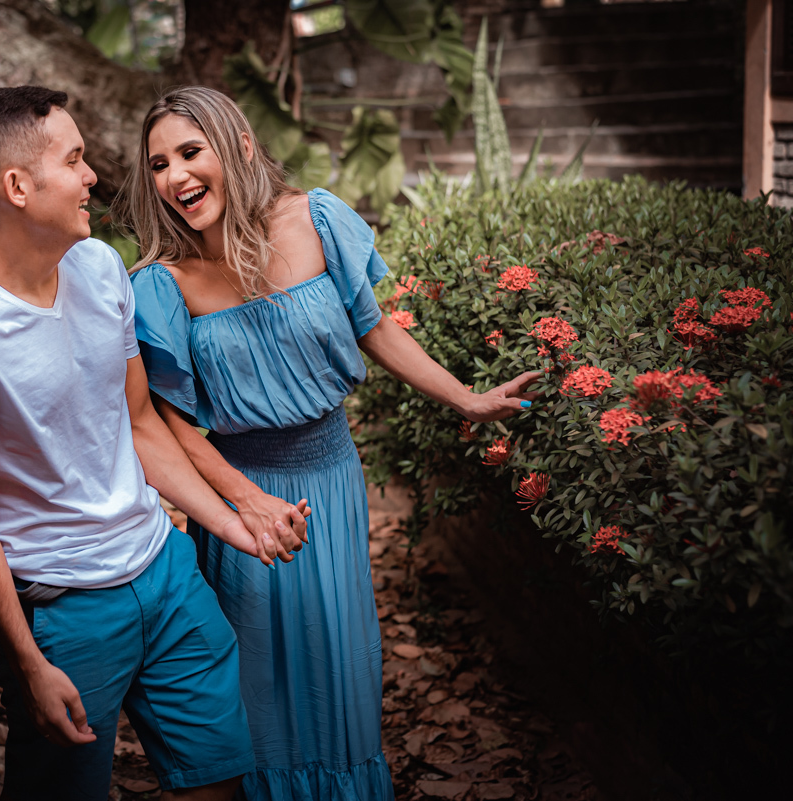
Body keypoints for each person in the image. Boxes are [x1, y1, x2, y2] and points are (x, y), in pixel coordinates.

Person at [114, 86, 541, 800]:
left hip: (334, 480)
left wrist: (467, 397)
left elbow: (373, 329)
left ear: (240, 146)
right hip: (241, 498)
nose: (176, 177)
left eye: (191, 152)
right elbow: (171, 426)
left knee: (338, 668)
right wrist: (245, 504)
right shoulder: (163, 284)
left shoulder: (314, 219)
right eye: (159, 164)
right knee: (258, 681)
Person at [0, 86, 310, 801]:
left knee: (219, 777)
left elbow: (139, 423)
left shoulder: (98, 269)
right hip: (63, 609)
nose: (93, 176)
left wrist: (229, 521)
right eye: (76, 159)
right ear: (17, 187)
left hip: (164, 570)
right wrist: (27, 659)